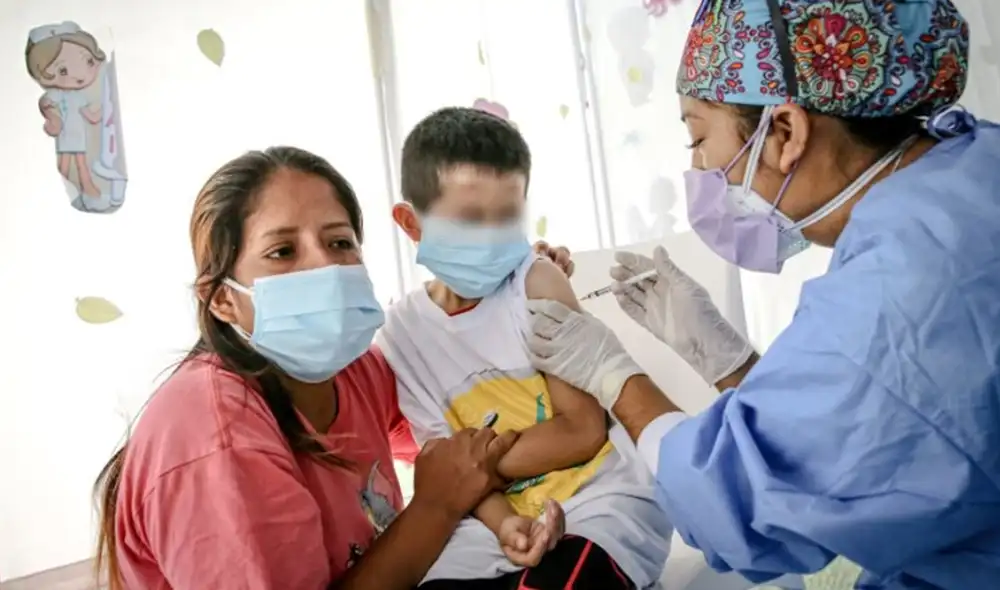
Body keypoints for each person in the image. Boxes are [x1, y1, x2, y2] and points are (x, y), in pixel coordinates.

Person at [522, 0, 1000, 589]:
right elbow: (854, 445)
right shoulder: (971, 168)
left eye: (697, 138)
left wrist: (615, 378)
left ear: (785, 131)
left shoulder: (898, 293)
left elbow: (738, 509)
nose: (697, 167)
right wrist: (732, 364)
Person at [92, 146, 576, 590]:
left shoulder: (355, 373)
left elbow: (459, 411)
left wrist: (510, 286)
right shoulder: (214, 433)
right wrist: (436, 505)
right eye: (283, 251)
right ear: (222, 299)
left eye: (340, 242)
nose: (324, 267)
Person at [377, 107, 672, 589]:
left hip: (594, 496)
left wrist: (472, 469)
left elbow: (581, 433)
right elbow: (444, 469)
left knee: (571, 576)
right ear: (412, 223)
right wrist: (503, 522)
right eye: (471, 219)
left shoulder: (536, 283)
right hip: (488, 519)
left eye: (508, 217)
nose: (494, 236)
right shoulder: (402, 335)